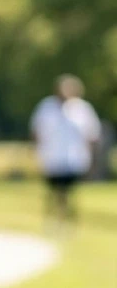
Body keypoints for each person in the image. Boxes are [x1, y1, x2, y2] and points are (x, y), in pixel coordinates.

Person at [31, 75, 101, 224]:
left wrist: (92, 157)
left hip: (74, 158)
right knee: (54, 190)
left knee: (69, 191)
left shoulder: (82, 109)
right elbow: (37, 131)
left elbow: (91, 134)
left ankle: (67, 217)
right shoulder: (47, 107)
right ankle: (53, 217)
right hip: (52, 157)